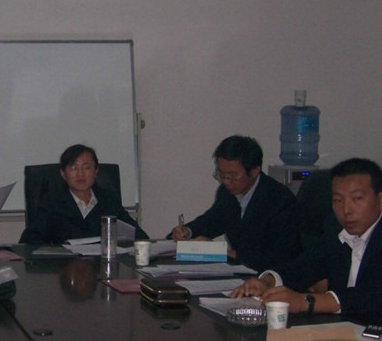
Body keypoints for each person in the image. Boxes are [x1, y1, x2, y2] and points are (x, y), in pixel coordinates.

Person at [231, 158, 382, 324]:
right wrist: (268, 281)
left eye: (357, 198)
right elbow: (306, 266)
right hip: (346, 328)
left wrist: (306, 301)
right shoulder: (334, 227)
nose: (346, 210)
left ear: (380, 199)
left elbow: (372, 295)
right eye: (338, 200)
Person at [168, 135, 301, 272]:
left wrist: (221, 252)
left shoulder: (280, 200)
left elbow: (278, 257)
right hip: (240, 271)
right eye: (221, 174)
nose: (225, 181)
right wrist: (187, 231)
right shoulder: (227, 192)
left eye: (232, 176)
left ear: (254, 171)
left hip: (269, 276)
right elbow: (213, 221)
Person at [19, 144, 149, 244]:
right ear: (63, 174)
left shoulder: (108, 200)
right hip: (64, 268)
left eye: (86, 167)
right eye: (73, 168)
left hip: (102, 267)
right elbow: (29, 240)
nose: (80, 174)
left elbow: (140, 237)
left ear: (96, 171)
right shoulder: (52, 203)